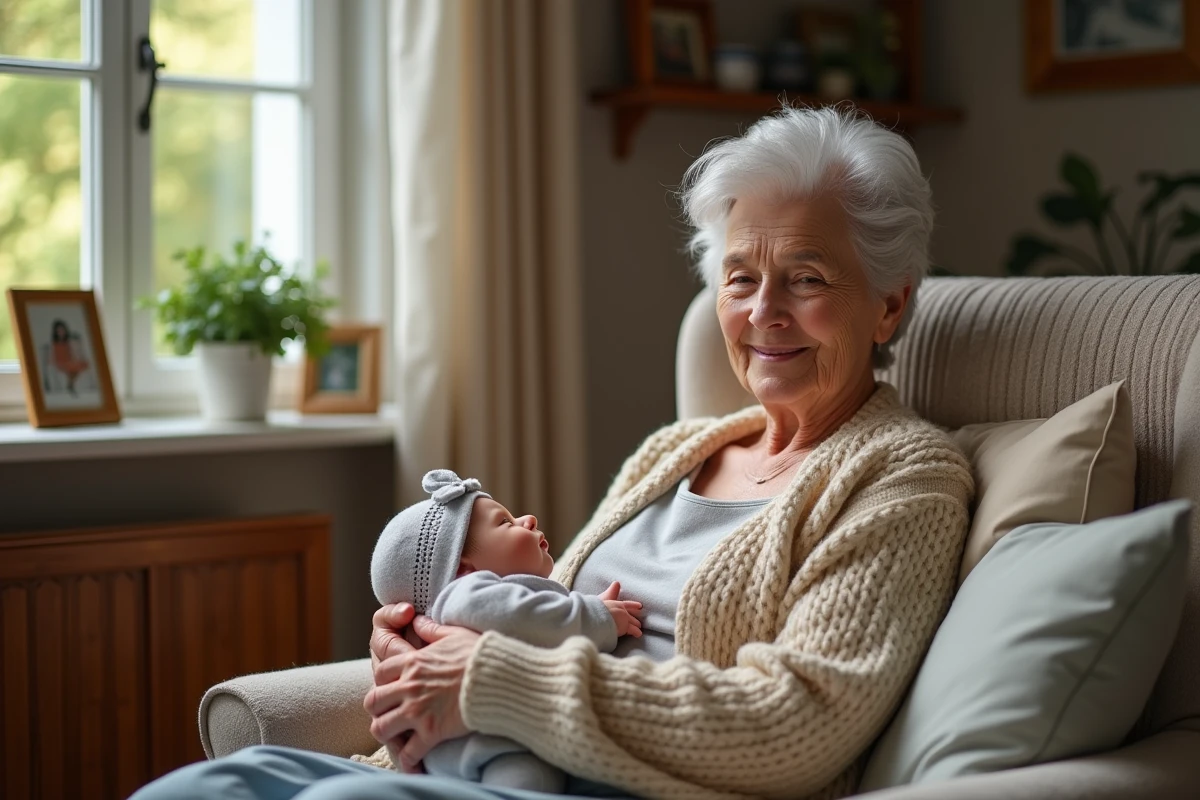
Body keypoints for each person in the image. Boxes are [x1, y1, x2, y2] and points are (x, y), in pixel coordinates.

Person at [131, 105, 974, 800]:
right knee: (204, 789)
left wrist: (488, 680)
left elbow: (796, 722)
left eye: (808, 277)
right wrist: (423, 646)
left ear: (890, 305)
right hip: (509, 764)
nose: (762, 313)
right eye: (740, 277)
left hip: (623, 789)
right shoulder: (675, 451)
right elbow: (538, 613)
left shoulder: (905, 475)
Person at [359, 468, 643, 793]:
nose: (530, 519)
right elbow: (528, 619)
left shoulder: (482, 597)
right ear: (465, 570)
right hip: (491, 744)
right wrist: (596, 616)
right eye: (506, 523)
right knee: (531, 780)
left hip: (472, 740)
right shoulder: (467, 595)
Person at [49, 319, 90, 394]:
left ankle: (70, 385)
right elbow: (53, 356)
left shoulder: (68, 341)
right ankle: (70, 385)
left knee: (82, 364)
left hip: (69, 361)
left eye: (62, 330)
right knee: (72, 367)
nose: (61, 332)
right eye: (59, 331)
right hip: (61, 362)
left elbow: (74, 352)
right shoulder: (54, 344)